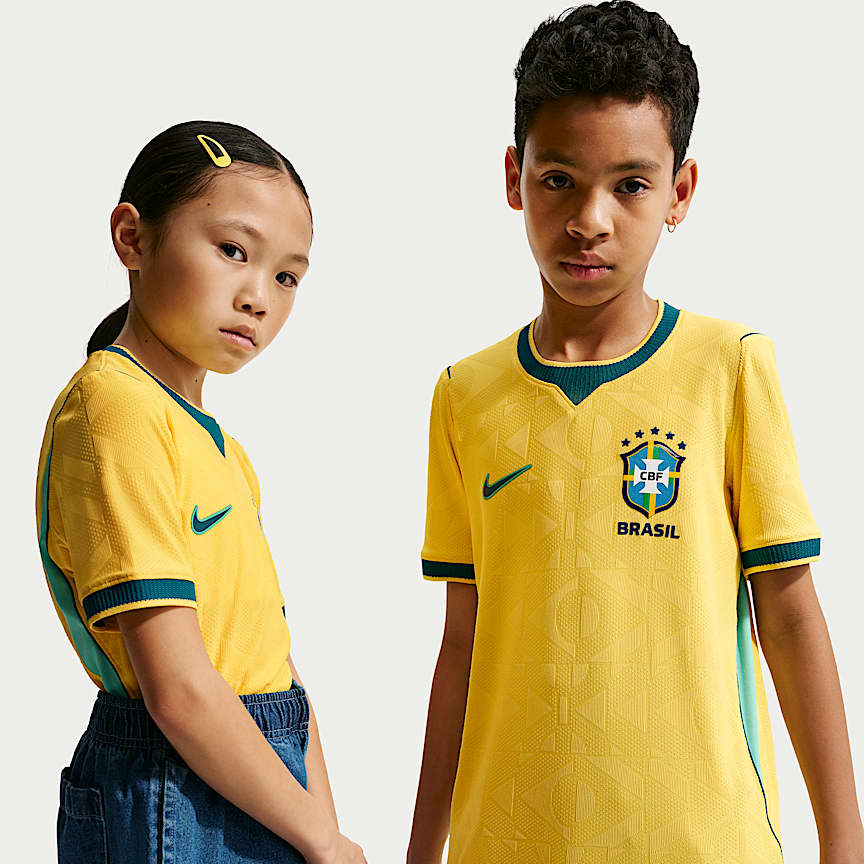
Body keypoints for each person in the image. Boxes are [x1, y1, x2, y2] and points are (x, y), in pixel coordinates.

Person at [407, 3, 863, 863]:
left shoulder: (730, 367)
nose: (591, 219)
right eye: (558, 179)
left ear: (679, 193)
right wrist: (422, 850)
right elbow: (461, 645)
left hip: (703, 844)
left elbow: (791, 617)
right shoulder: (465, 395)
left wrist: (846, 843)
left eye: (630, 185)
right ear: (513, 177)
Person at [36, 120, 366, 864]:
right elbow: (180, 690)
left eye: (287, 277)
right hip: (175, 792)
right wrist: (319, 836)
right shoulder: (116, 411)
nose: (258, 298)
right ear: (133, 237)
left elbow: (272, 666)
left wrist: (325, 827)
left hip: (252, 776)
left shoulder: (218, 447)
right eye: (233, 251)